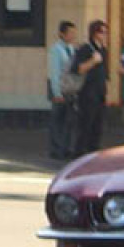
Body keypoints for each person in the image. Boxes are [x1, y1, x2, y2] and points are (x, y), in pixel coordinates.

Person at [70, 20, 109, 157]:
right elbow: (77, 69)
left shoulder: (103, 50)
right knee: (85, 124)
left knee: (97, 125)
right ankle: (79, 152)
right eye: (101, 32)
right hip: (87, 92)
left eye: (105, 32)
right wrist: (93, 61)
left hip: (100, 92)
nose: (104, 35)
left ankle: (94, 151)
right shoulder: (85, 49)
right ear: (94, 33)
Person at [47, 20, 78, 160]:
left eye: (74, 33)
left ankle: (65, 147)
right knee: (57, 120)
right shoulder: (56, 50)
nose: (72, 36)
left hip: (69, 88)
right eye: (70, 33)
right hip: (59, 87)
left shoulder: (72, 49)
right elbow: (55, 71)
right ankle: (56, 148)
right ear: (62, 34)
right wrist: (57, 92)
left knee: (69, 120)